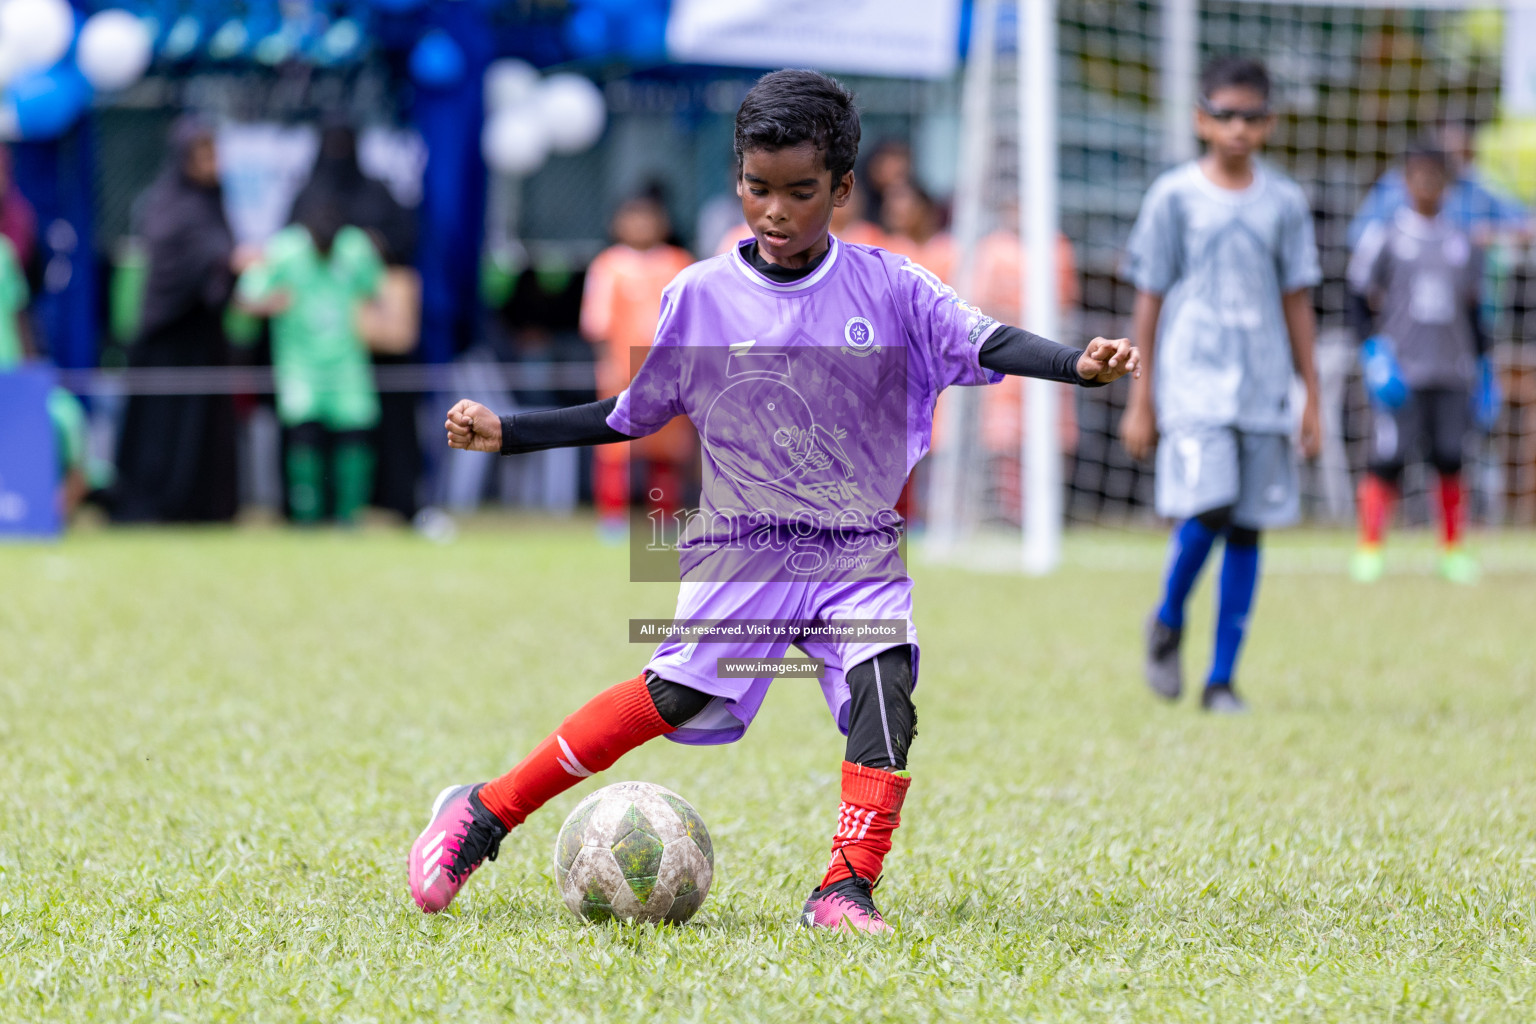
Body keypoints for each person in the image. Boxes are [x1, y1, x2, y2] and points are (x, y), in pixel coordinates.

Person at [413, 70, 1138, 933]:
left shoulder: (893, 288)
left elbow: (986, 338)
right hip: (745, 547)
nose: (776, 211)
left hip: (858, 548)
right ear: (738, 178)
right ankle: (483, 814)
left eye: (801, 192)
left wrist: (1077, 365)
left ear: (841, 188)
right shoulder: (703, 295)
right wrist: (510, 430)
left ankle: (843, 890)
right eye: (759, 188)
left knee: (886, 686)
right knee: (672, 697)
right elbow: (630, 412)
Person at [1119, 57, 1322, 715]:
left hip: (1262, 383)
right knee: (1209, 504)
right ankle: (1169, 615)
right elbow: (1149, 296)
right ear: (1202, 119)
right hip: (1193, 381)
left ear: (1269, 124)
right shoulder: (1174, 196)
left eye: (1251, 117)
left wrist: (1310, 391)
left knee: (1247, 526)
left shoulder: (1285, 201)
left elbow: (1297, 299)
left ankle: (1222, 679)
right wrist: (1139, 394)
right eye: (1225, 115)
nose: (1238, 128)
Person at [1346, 141, 1486, 585]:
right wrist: (1372, 351)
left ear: (1447, 183)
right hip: (1401, 371)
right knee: (1388, 458)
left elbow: (1475, 309)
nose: (1427, 185)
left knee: (1449, 457)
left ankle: (1451, 551)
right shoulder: (1386, 235)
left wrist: (1486, 366)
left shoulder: (1462, 242)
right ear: (1406, 181)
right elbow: (1356, 297)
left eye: (1435, 177)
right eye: (1419, 176)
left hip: (1452, 370)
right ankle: (1370, 549)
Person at [111, 118, 245, 524]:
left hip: (205, 338)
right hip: (168, 339)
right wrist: (222, 261)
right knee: (163, 434)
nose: (211, 163)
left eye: (213, 153)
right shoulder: (167, 204)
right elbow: (177, 259)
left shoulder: (214, 201)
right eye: (202, 154)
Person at [291, 121, 421, 522]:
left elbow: (403, 242)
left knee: (370, 428)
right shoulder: (307, 195)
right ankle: (311, 514)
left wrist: (375, 247)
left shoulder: (377, 193)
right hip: (314, 343)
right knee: (309, 431)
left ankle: (370, 506)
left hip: (375, 344)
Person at [235, 203, 385, 525]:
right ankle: (307, 519)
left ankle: (349, 519)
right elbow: (245, 298)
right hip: (299, 365)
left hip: (347, 364)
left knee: (355, 435)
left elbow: (376, 292)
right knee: (304, 438)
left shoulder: (356, 249)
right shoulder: (284, 251)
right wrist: (271, 303)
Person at [580, 193, 697, 534]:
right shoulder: (607, 265)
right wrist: (607, 364)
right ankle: (612, 519)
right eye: (633, 218)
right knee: (614, 446)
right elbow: (597, 321)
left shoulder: (679, 262)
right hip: (622, 371)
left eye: (649, 218)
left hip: (667, 372)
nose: (641, 226)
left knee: (666, 449)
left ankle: (663, 518)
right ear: (617, 224)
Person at [0, 228, 86, 516]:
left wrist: (31, 380)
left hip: (11, 379)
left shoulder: (4, 252)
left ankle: (48, 512)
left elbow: (20, 318)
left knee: (68, 415)